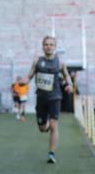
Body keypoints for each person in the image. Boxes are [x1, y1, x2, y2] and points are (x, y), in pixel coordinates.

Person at [26, 35, 73, 164]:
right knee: (42, 128)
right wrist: (24, 81)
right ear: (43, 46)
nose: (49, 46)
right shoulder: (37, 61)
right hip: (41, 98)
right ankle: (44, 124)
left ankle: (51, 154)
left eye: (51, 44)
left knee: (54, 125)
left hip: (55, 97)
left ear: (55, 47)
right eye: (46, 44)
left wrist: (69, 84)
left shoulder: (60, 62)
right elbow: (30, 75)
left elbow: (67, 75)